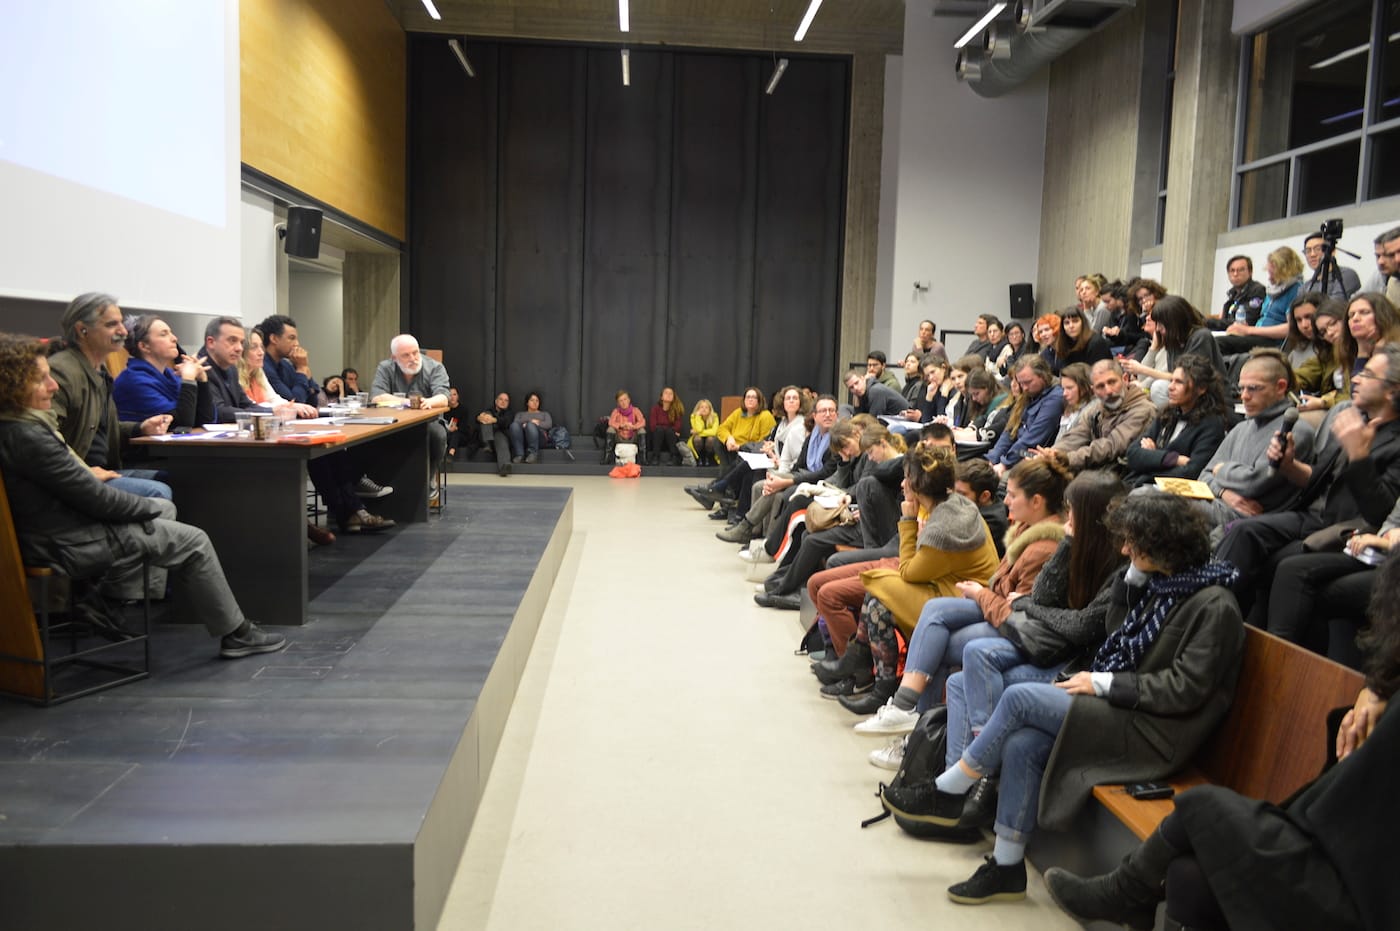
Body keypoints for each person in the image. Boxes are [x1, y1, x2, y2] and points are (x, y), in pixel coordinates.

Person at [882, 491, 1244, 908]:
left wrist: (1104, 685)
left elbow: (1186, 689)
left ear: (1162, 544)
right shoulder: (1161, 584)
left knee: (1018, 699)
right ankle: (1006, 866)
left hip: (1155, 730)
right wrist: (1129, 585)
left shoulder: (1215, 606)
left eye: (1132, 542)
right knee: (1022, 744)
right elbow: (1115, 632)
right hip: (1125, 709)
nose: (1124, 549)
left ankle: (950, 789)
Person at [1045, 549, 1400, 931]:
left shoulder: (1213, 605)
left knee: (1201, 805)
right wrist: (1376, 688)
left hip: (1360, 883)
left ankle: (1121, 894)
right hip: (1345, 850)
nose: (1125, 551)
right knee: (1188, 874)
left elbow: (1346, 805)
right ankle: (1125, 898)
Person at [0, 334, 286, 659]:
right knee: (193, 539)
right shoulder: (30, 436)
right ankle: (237, 634)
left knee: (165, 510)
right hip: (67, 542)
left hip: (53, 533)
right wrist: (145, 509)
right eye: (42, 379)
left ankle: (105, 603)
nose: (53, 386)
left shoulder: (19, 428)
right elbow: (97, 499)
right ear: (11, 385)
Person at [845, 456, 1071, 743]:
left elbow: (1018, 615)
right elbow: (1000, 587)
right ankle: (909, 719)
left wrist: (907, 520)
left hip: (1017, 629)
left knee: (925, 632)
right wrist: (988, 592)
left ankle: (911, 727)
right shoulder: (1024, 529)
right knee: (929, 610)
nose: (1006, 501)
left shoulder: (1042, 548)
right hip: (985, 601)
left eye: (1013, 495)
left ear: (1037, 501)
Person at [1218, 344, 1400, 622]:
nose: (1356, 379)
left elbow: (1381, 511)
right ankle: (1219, 622)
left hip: (1349, 530)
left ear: (1392, 390)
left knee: (1282, 566)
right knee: (1243, 533)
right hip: (1313, 516)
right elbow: (1317, 478)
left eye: (1369, 375)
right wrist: (1290, 465)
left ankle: (1272, 653)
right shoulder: (1354, 420)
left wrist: (1359, 457)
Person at [830, 445, 1000, 711]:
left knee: (876, 585)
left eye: (906, 476)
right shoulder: (957, 505)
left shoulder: (945, 526)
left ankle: (869, 674)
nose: (901, 482)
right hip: (950, 590)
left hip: (957, 599)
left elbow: (908, 570)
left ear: (915, 486)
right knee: (877, 597)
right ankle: (870, 674)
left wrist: (908, 518)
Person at [199, 317, 391, 537]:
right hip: (223, 446)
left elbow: (309, 394)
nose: (240, 348)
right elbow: (224, 411)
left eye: (242, 343)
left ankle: (350, 508)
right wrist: (292, 389)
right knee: (316, 455)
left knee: (330, 447)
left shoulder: (251, 369)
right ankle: (327, 515)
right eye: (236, 342)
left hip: (257, 433)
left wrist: (301, 381)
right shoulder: (215, 369)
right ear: (211, 342)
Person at [47, 293, 174, 502]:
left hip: (108, 469)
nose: (123, 331)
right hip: (76, 479)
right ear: (82, 330)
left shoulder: (100, 370)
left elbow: (99, 428)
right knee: (157, 492)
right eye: (112, 325)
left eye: (121, 324)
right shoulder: (62, 371)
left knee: (182, 479)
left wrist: (140, 428)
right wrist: (82, 471)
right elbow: (47, 436)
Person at [1198, 349, 1317, 533]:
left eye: (1253, 388)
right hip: (1223, 504)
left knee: (1150, 502)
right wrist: (1224, 492)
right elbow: (1204, 475)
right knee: (1146, 497)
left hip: (1250, 519)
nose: (1244, 396)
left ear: (1280, 387)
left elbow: (1254, 483)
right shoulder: (1241, 428)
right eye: (1241, 388)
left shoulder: (1295, 430)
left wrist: (1221, 469)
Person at [1124, 354, 1230, 488]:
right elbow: (1132, 453)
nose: (1170, 387)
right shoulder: (1168, 413)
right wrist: (1173, 459)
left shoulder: (1212, 424)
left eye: (1179, 382)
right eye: (1171, 380)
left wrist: (1152, 460)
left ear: (1201, 388)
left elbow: (1192, 472)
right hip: (1143, 483)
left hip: (1171, 494)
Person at [370, 334, 451, 499]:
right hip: (393, 422)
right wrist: (408, 402)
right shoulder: (385, 368)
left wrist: (429, 402)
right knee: (370, 437)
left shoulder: (434, 367)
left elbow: (444, 397)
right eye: (406, 355)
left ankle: (429, 479)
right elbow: (377, 396)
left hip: (428, 422)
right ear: (394, 357)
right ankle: (377, 482)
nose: (413, 358)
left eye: (415, 353)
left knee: (439, 435)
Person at [1037, 359, 1155, 472]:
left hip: (1124, 473)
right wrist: (1052, 453)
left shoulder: (1143, 409)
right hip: (1100, 470)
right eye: (1100, 386)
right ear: (1093, 390)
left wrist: (1066, 459)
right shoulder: (1096, 409)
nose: (1108, 390)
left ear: (1125, 379)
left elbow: (1111, 446)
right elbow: (1076, 436)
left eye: (1112, 382)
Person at [111, 314, 212, 429]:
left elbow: (206, 421)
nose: (174, 338)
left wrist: (202, 380)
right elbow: (181, 426)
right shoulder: (133, 381)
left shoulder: (172, 376)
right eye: (164, 334)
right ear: (144, 346)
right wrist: (188, 379)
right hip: (143, 447)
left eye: (171, 332)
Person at [1216, 245, 1305, 354]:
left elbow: (1292, 328)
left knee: (1219, 344)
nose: (1269, 278)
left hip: (1274, 342)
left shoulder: (1296, 290)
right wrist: (1244, 328)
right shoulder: (1273, 290)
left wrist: (1249, 330)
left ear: (1285, 271)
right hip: (1258, 335)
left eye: (1273, 274)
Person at [985, 355, 1065, 476]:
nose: (1024, 388)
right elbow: (1009, 432)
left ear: (1043, 376)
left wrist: (1004, 464)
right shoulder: (1028, 395)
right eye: (1021, 383)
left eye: (1028, 382)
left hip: (1033, 456)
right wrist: (992, 459)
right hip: (1016, 453)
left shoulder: (1055, 398)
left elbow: (1033, 438)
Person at [1295, 297, 1348, 411]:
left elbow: (1357, 396)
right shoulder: (1329, 353)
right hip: (1333, 409)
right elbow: (1302, 375)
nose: (1330, 333)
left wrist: (1323, 402)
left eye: (1333, 324)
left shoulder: (1365, 352)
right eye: (1323, 332)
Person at [258, 314, 323, 406]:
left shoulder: (286, 365)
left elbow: (312, 403)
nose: (297, 343)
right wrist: (301, 369)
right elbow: (293, 404)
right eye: (291, 338)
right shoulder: (263, 366)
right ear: (274, 339)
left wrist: (305, 370)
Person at [1048, 307, 1113, 375]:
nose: (1071, 326)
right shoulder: (1064, 343)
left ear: (1083, 323)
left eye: (1075, 321)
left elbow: (1097, 374)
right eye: (1067, 323)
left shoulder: (1096, 342)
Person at [1302, 230, 1362, 301]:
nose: (1312, 254)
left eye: (1318, 249)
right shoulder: (1306, 287)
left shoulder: (1346, 275)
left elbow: (1333, 305)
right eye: (1308, 251)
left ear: (1332, 251)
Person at [1211, 254, 1266, 329]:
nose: (1235, 274)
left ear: (1250, 272)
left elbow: (1245, 321)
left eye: (1241, 270)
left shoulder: (1257, 290)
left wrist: (1210, 322)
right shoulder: (1233, 293)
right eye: (1232, 270)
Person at [508, 391, 554, 464]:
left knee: (530, 425)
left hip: (539, 439)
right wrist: (532, 421)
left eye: (537, 400)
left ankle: (533, 454)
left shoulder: (544, 414)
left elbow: (548, 425)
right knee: (514, 425)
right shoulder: (520, 414)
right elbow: (516, 423)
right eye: (532, 400)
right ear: (527, 402)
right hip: (523, 438)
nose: (535, 402)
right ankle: (520, 455)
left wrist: (534, 424)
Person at [1053, 363, 1093, 444]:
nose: (1064, 393)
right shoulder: (1069, 408)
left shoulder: (1092, 409)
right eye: (1063, 388)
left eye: (1069, 388)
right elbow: (1059, 442)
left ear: (1084, 387)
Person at [604, 390, 646, 464]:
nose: (623, 402)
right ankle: (607, 457)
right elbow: (611, 422)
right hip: (620, 436)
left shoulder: (635, 410)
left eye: (625, 399)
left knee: (642, 430)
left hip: (632, 436)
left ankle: (643, 458)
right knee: (610, 429)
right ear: (618, 403)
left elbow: (642, 422)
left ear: (629, 400)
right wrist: (621, 426)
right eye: (621, 401)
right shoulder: (616, 411)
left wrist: (633, 426)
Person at [477, 391, 514, 476]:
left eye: (506, 400)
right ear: (496, 401)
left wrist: (494, 420)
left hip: (500, 435)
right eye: (501, 399)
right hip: (485, 437)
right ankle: (487, 443)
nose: (503, 402)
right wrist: (479, 418)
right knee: (486, 415)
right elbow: (477, 419)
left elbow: (506, 422)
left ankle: (504, 467)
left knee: (500, 438)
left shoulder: (509, 413)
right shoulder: (489, 410)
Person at [648, 387, 686, 466]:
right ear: (661, 397)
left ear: (673, 397)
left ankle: (674, 456)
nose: (668, 395)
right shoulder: (655, 409)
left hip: (671, 438)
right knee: (659, 430)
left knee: (670, 431)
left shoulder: (676, 410)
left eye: (670, 394)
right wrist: (665, 429)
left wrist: (669, 430)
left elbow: (678, 426)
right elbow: (652, 426)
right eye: (666, 393)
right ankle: (655, 456)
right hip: (658, 438)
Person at [688, 398, 721, 466]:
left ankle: (708, 458)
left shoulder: (715, 416)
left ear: (710, 409)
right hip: (698, 440)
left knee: (710, 439)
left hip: (710, 441)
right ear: (698, 409)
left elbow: (714, 432)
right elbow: (699, 428)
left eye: (706, 407)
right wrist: (698, 417)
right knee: (698, 439)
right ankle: (699, 458)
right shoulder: (694, 417)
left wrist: (699, 432)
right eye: (701, 407)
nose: (704, 409)